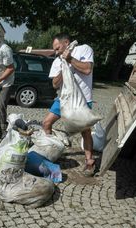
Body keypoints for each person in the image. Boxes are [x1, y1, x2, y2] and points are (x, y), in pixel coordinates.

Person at [42, 33, 95, 177]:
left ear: (66, 42)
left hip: (82, 99)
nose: (56, 51)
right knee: (46, 123)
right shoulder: (57, 61)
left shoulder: (84, 49)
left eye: (58, 48)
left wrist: (70, 59)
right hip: (63, 99)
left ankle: (89, 161)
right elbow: (54, 84)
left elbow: (87, 69)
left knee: (85, 131)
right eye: (55, 49)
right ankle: (51, 153)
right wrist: (64, 67)